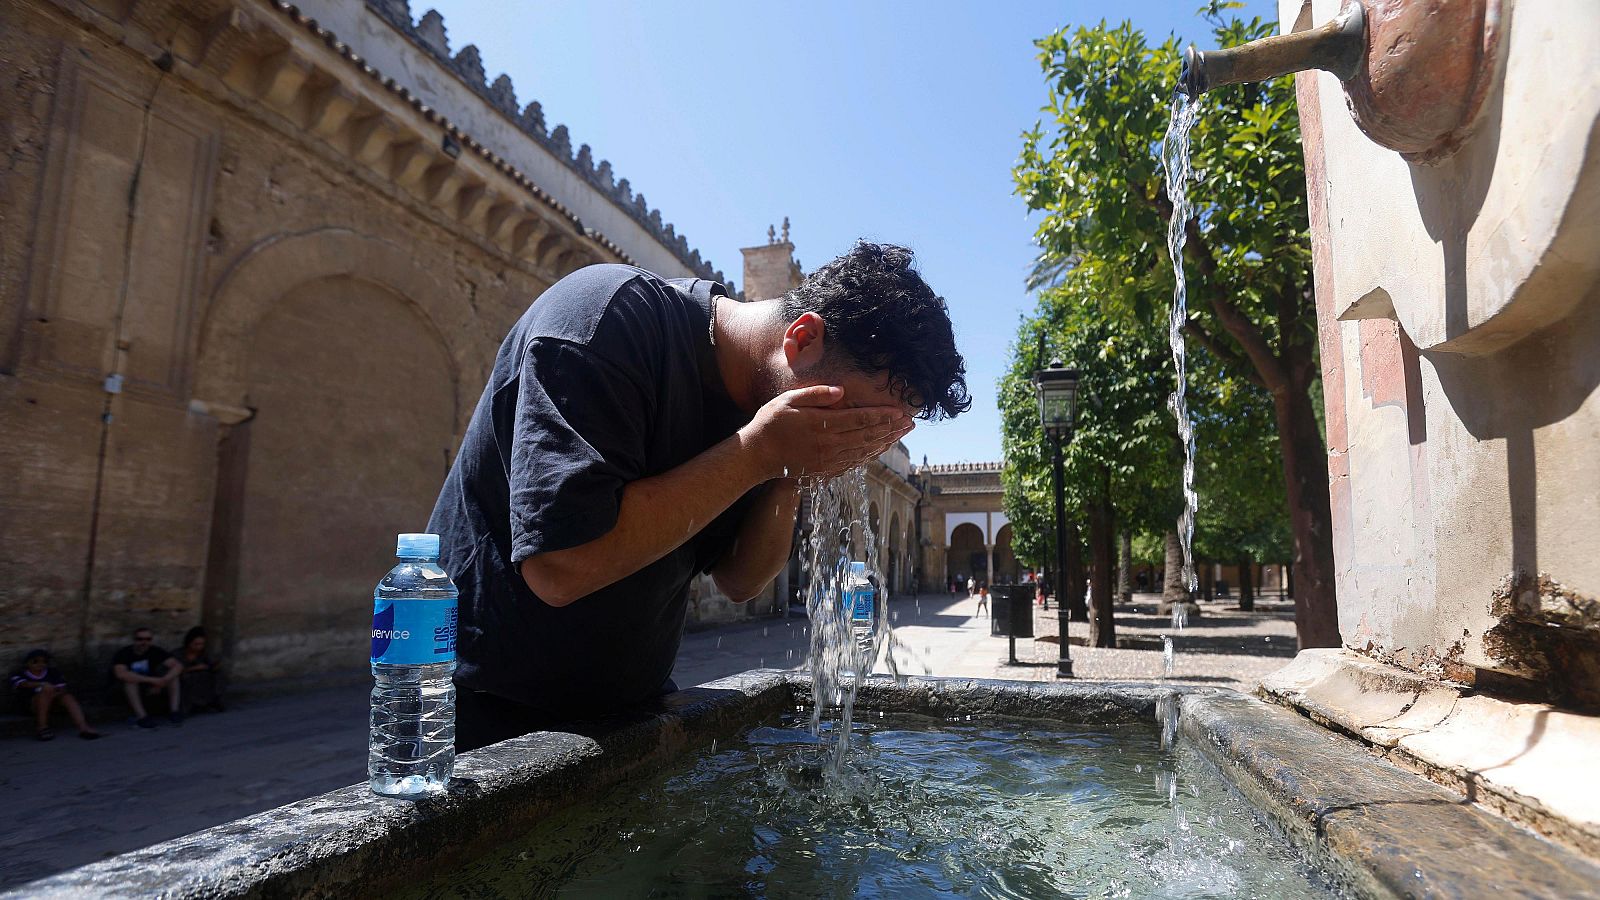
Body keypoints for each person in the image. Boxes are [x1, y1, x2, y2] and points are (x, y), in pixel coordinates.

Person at [428, 243, 968, 752]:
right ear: (803, 339)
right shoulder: (607, 321)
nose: (852, 440)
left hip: (631, 710)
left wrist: (789, 471)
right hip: (480, 715)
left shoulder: (762, 410)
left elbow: (741, 580)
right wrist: (756, 452)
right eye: (851, 415)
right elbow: (559, 567)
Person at [10, 649, 100, 741]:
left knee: (67, 697)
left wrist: (51, 694)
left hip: (53, 703)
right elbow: (22, 684)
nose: (40, 664)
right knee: (45, 690)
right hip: (31, 706)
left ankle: (83, 727)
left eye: (44, 661)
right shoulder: (20, 674)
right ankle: (42, 727)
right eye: (35, 661)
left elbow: (62, 689)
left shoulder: (53, 673)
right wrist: (42, 685)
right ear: (27, 663)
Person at [111, 627, 183, 727]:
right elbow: (121, 674)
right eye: (140, 639)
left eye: (148, 639)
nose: (144, 642)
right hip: (125, 690)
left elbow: (178, 666)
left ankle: (174, 711)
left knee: (173, 677)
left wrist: (164, 680)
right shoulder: (123, 653)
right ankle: (142, 717)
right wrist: (153, 680)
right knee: (130, 681)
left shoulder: (154, 651)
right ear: (134, 640)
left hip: (150, 686)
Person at [176, 627, 226, 714]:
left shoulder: (203, 653)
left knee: (218, 675)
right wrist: (194, 668)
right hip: (185, 675)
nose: (199, 647)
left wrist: (214, 666)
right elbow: (175, 670)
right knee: (188, 679)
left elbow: (212, 665)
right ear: (189, 643)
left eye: (201, 644)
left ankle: (215, 701)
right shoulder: (179, 654)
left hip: (202, 675)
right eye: (196, 644)